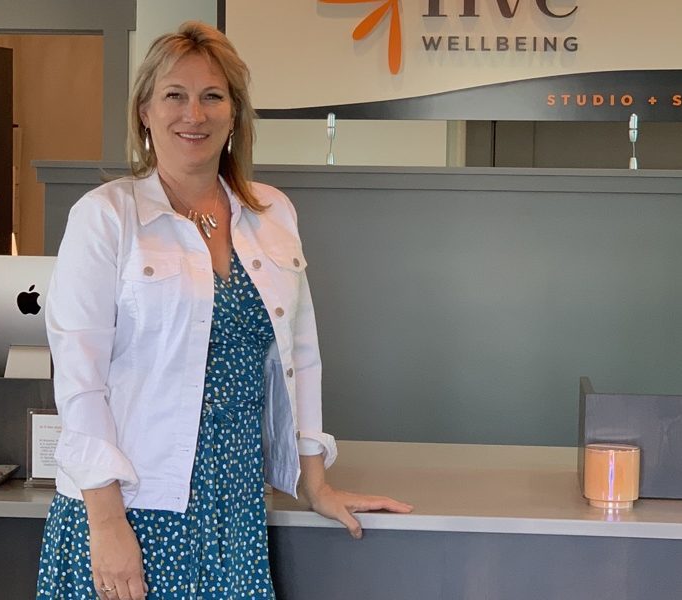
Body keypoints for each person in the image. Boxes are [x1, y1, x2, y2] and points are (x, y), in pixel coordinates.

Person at [36, 20, 412, 600]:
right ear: (144, 111)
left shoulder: (272, 213)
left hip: (234, 511)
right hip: (133, 508)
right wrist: (106, 525)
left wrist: (315, 482)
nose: (195, 114)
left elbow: (299, 358)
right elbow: (81, 382)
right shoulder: (105, 216)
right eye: (175, 95)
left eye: (213, 96)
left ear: (234, 114)